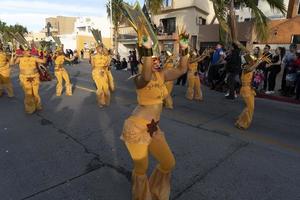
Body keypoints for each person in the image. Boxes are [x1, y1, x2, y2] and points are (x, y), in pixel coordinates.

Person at [121, 32, 189, 200]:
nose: (157, 61)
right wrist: (147, 50)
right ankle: (142, 196)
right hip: (136, 128)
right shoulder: (139, 78)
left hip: (153, 128)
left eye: (157, 58)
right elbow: (145, 75)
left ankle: (157, 192)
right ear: (144, 60)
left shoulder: (162, 75)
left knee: (168, 162)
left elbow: (182, 69)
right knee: (141, 167)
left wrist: (184, 49)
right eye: (153, 58)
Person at [235, 54, 270, 129]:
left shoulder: (250, 67)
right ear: (248, 62)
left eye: (253, 61)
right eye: (252, 61)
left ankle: (240, 121)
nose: (253, 62)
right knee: (250, 107)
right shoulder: (245, 68)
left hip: (250, 89)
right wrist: (259, 61)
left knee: (249, 107)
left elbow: (255, 69)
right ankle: (242, 124)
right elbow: (251, 69)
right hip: (246, 90)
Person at [11, 45, 46, 114]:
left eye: (30, 50)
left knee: (36, 93)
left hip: (35, 77)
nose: (29, 51)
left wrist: (44, 55)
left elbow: (43, 61)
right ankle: (30, 108)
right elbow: (11, 63)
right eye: (27, 51)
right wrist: (13, 55)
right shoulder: (20, 59)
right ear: (23, 52)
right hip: (24, 78)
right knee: (28, 94)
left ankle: (38, 105)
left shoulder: (34, 58)